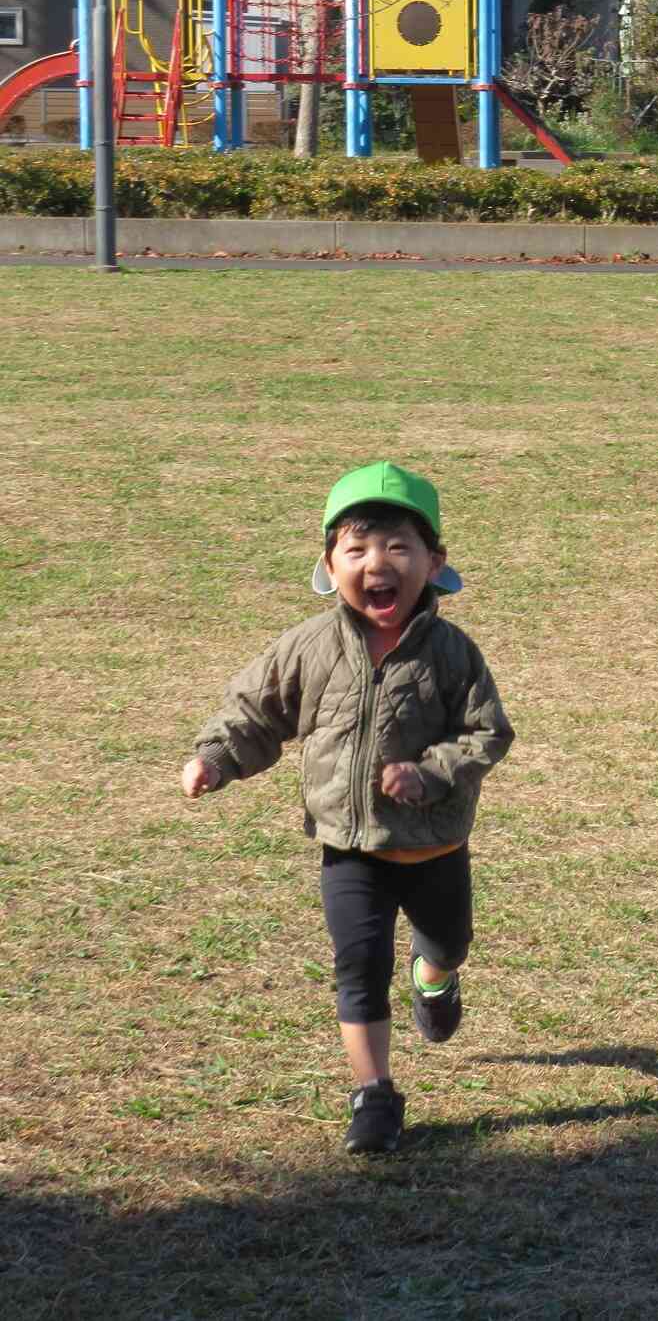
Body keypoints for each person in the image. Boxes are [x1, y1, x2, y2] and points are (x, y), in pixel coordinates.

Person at [180, 463, 514, 1153]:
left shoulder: (453, 654)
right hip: (347, 845)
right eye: (357, 550)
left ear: (434, 563)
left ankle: (435, 977)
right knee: (358, 967)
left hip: (433, 848)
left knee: (448, 942)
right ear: (329, 566)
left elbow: (488, 732)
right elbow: (254, 711)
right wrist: (216, 758)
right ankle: (374, 1095)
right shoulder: (308, 647)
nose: (377, 565)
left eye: (397, 548)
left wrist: (431, 772)